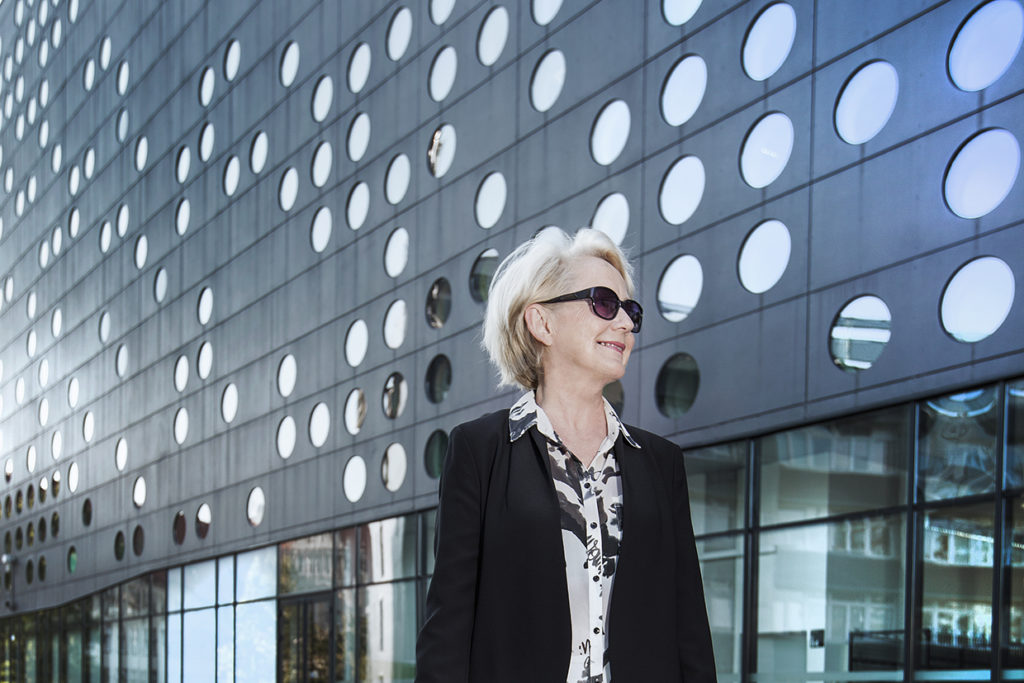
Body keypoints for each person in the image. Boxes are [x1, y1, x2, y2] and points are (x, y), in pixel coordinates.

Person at [415, 228, 716, 682]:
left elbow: (689, 630)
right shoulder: (479, 452)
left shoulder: (661, 463)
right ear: (542, 323)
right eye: (604, 303)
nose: (625, 323)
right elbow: (447, 632)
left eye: (630, 311)